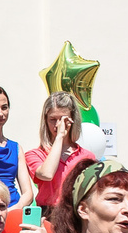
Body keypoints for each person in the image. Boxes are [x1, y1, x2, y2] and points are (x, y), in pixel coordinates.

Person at [27, 91, 95, 222]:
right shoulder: (35, 154)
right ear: (45, 121)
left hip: (76, 214)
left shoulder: (87, 156)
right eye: (52, 119)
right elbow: (46, 174)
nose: (58, 125)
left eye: (62, 119)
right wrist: (59, 137)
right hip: (47, 214)